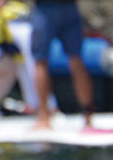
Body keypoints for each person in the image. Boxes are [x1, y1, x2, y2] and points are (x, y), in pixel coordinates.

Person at [31, 0, 94, 128]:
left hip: (46, 9)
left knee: (40, 62)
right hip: (69, 7)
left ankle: (44, 117)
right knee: (76, 61)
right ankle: (88, 118)